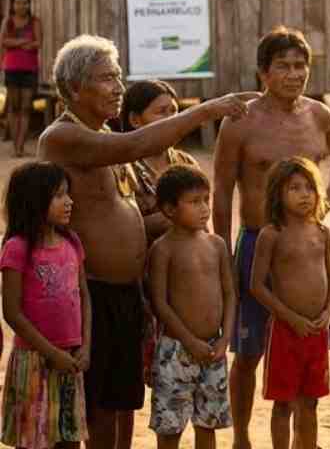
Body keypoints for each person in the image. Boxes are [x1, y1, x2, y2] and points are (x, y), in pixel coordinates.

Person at [37, 35, 253, 449]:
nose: (118, 87)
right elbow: (134, 143)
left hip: (125, 294)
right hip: (90, 293)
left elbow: (134, 213)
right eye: (106, 78)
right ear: (75, 87)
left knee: (122, 402)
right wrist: (206, 109)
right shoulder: (62, 137)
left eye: (119, 76)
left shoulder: (101, 137)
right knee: (97, 404)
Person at [213, 27, 330, 449]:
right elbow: (221, 187)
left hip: (305, 250)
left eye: (300, 65)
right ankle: (241, 437)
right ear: (263, 72)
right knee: (249, 349)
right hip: (257, 243)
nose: (294, 74)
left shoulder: (318, 115)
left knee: (305, 343)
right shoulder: (240, 121)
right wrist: (223, 250)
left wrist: (324, 201)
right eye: (283, 66)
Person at [0, 162, 90, 449]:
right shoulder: (17, 247)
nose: (70, 201)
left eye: (68, 194)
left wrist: (85, 347)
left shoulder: (71, 241)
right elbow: (12, 312)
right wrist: (51, 352)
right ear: (35, 200)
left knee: (69, 440)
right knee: (33, 441)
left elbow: (84, 297)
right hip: (34, 361)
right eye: (60, 195)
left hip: (71, 360)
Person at [249, 158, 330, 449]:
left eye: (310, 187)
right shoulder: (271, 234)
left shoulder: (322, 232)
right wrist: (290, 317)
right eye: (294, 188)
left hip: (316, 331)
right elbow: (257, 286)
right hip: (285, 333)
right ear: (278, 194)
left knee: (310, 402)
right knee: (283, 403)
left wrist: (328, 311)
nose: (304, 194)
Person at [147, 165, 235, 449]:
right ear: (170, 209)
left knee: (207, 425)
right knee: (170, 427)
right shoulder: (163, 249)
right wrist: (189, 341)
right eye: (194, 202)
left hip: (213, 350)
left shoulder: (217, 244)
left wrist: (225, 339)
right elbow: (159, 303)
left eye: (206, 200)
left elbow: (230, 294)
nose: (204, 208)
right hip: (176, 351)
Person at [120, 80, 200, 243]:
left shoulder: (186, 162)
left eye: (174, 111)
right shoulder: (122, 167)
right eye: (162, 112)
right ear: (135, 120)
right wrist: (167, 220)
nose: (172, 120)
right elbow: (117, 227)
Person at [2, 0, 41, 157]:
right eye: (18, 2)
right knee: (13, 106)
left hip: (30, 69)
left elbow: (38, 43)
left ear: (29, 4)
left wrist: (15, 43)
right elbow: (3, 40)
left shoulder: (35, 21)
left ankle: (20, 146)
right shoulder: (8, 21)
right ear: (12, 5)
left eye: (25, 2)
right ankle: (14, 144)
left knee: (25, 108)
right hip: (11, 68)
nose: (21, 6)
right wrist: (23, 42)